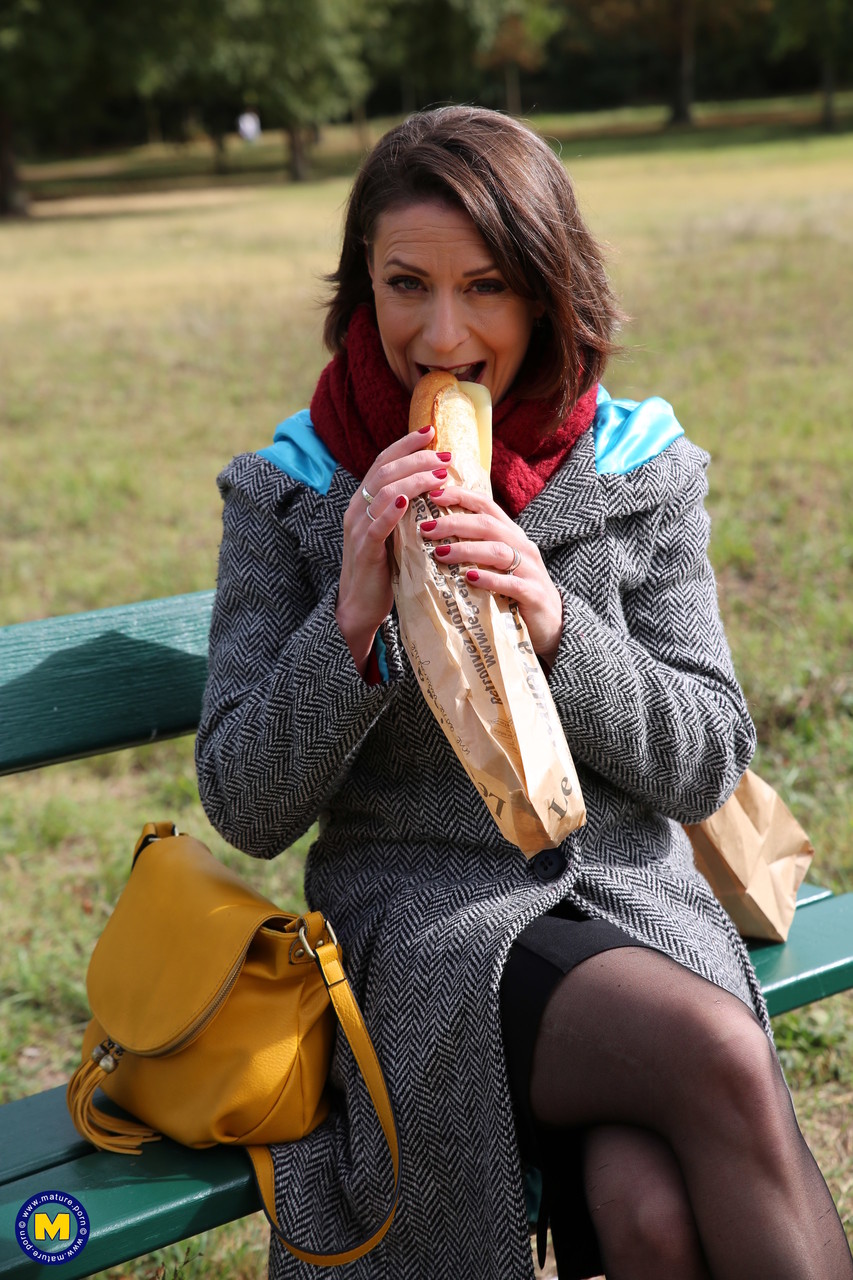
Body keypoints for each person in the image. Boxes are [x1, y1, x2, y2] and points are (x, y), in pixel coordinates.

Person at [195, 106, 852, 1280]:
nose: (440, 333)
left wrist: (558, 627)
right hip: (425, 938)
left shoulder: (635, 464)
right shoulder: (291, 491)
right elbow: (243, 801)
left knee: (647, 1212)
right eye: (406, 286)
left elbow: (705, 755)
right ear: (363, 293)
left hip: (632, 901)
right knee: (720, 1054)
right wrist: (349, 624)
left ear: (546, 293)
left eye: (486, 287)